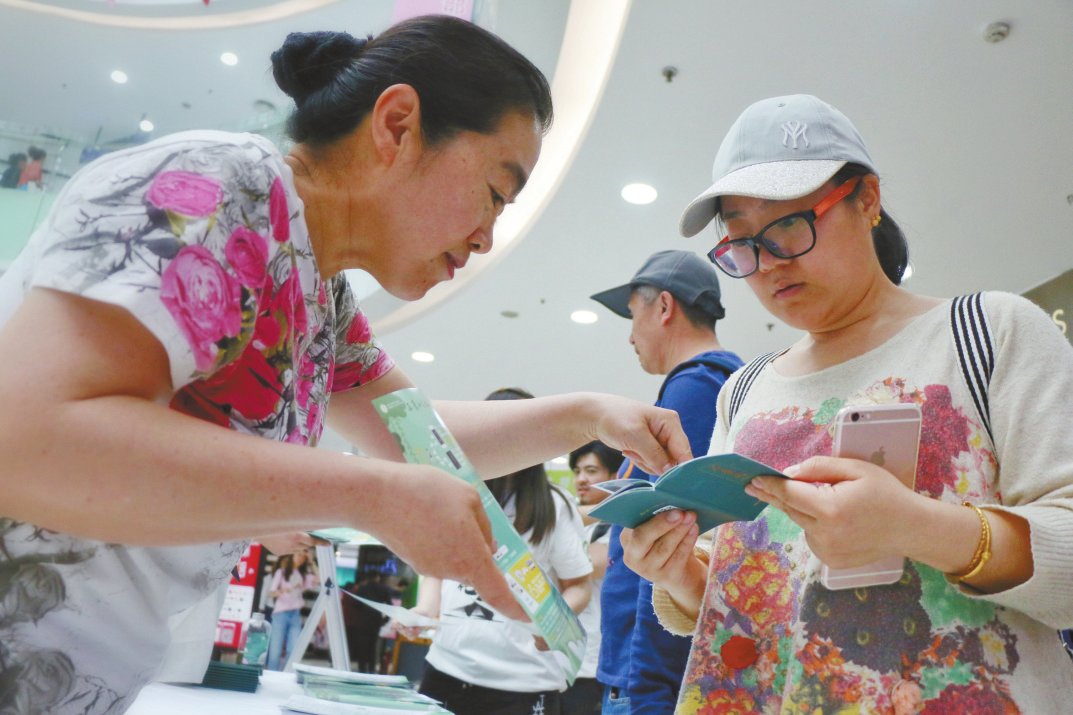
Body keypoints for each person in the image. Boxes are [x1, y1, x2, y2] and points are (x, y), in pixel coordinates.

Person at [0, 16, 692, 713]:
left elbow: (417, 435)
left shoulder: (319, 296)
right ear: (396, 124)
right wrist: (370, 494)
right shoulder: (220, 181)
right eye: (493, 193)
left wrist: (584, 415)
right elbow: (25, 439)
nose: (487, 237)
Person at [622, 93, 1073, 713]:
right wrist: (680, 572)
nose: (768, 264)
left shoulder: (989, 332)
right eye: (742, 244)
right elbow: (750, 591)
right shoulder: (745, 389)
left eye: (788, 227)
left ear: (867, 200)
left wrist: (916, 526)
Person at [590, 251, 744, 714]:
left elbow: (666, 533)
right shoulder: (718, 386)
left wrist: (647, 686)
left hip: (650, 678)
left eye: (633, 313)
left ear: (663, 307)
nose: (630, 334)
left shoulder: (695, 389)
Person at [411, 387, 593, 715]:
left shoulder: (554, 506)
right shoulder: (456, 492)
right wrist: (425, 607)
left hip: (524, 684)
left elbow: (579, 585)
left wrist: (553, 628)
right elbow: (438, 566)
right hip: (447, 670)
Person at [562, 441, 624, 714]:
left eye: (591, 471)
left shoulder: (624, 526)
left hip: (593, 664)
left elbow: (590, 564)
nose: (581, 479)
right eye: (577, 471)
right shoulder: (579, 528)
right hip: (561, 659)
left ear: (614, 477)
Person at [265, 549, 318, 670]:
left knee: (293, 651)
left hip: (295, 614)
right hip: (280, 614)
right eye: (299, 555)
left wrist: (311, 561)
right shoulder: (281, 572)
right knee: (275, 652)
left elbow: (319, 579)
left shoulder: (302, 575)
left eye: (303, 558)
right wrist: (282, 591)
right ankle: (272, 679)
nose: (301, 558)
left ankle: (285, 678)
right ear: (292, 555)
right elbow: (271, 593)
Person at [349, 570, 393, 673]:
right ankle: (372, 668)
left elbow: (355, 604)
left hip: (363, 620)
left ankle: (362, 668)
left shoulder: (362, 588)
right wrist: (385, 619)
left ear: (368, 578)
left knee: (362, 646)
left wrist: (362, 612)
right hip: (376, 621)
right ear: (377, 577)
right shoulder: (383, 589)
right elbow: (390, 605)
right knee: (373, 647)